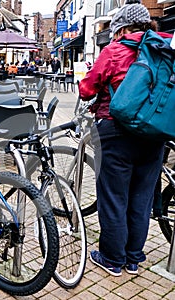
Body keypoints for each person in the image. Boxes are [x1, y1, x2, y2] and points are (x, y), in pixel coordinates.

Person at [79, 0, 173, 277]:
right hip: (155, 133)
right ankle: (133, 258)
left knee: (114, 197)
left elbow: (87, 89)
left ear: (121, 27)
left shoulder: (115, 50)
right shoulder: (166, 49)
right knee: (141, 198)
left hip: (116, 130)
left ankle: (111, 258)